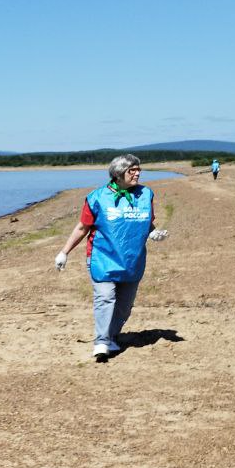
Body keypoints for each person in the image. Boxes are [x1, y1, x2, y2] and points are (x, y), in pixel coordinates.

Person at [54, 154, 165, 361]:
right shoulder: (97, 198)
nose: (137, 173)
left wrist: (153, 233)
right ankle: (102, 342)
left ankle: (111, 336)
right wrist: (64, 252)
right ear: (118, 174)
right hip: (102, 258)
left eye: (138, 169)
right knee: (105, 298)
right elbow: (82, 228)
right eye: (132, 170)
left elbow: (146, 222)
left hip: (132, 260)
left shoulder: (145, 194)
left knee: (124, 306)